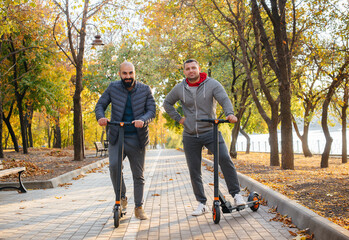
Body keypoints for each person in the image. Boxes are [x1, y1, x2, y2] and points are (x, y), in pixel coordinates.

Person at [163, 59, 246, 216]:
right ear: (184, 72)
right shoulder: (180, 88)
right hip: (190, 135)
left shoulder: (212, 84)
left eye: (193, 67)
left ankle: (236, 195)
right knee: (194, 169)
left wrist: (229, 113)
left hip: (210, 131)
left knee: (224, 158)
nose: (191, 70)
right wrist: (180, 119)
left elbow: (224, 99)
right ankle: (201, 203)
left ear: (199, 69)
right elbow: (167, 103)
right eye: (187, 69)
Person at [95, 61, 156, 220]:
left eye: (130, 73)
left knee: (138, 174)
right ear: (120, 74)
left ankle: (139, 207)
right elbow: (100, 104)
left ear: (135, 73)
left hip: (137, 137)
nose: (128, 76)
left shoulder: (145, 89)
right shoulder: (113, 87)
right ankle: (121, 197)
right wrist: (101, 117)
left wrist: (143, 119)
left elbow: (151, 110)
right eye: (124, 73)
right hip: (117, 136)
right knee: (114, 167)